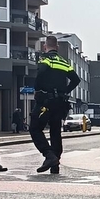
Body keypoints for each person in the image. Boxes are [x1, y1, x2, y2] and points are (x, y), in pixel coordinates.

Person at [30, 35, 81, 173]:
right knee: (55, 132)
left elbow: (40, 73)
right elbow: (76, 80)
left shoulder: (45, 59)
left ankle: (49, 155)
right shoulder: (64, 62)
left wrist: (37, 90)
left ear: (45, 47)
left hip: (46, 101)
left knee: (34, 128)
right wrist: (64, 91)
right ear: (57, 47)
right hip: (60, 102)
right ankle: (55, 165)